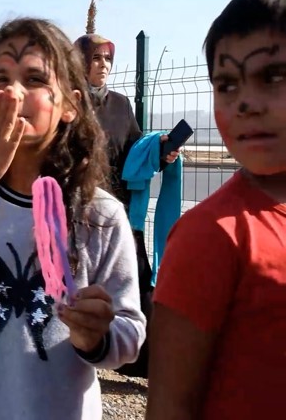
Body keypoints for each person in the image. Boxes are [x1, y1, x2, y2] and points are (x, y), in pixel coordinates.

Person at [0, 18, 145, 419]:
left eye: (34, 79)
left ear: (70, 105)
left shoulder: (100, 215)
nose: (12, 92)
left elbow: (130, 334)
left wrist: (97, 336)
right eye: (0, 78)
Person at [146, 0, 286, 420]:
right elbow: (169, 407)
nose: (245, 102)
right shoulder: (210, 236)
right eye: (227, 84)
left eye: (274, 76)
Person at [74, 33, 180, 378]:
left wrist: (162, 151)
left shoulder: (120, 106)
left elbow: (135, 150)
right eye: (95, 58)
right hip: (74, 211)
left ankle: (146, 365)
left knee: (138, 277)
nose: (102, 65)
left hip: (116, 211)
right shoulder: (68, 104)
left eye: (107, 60)